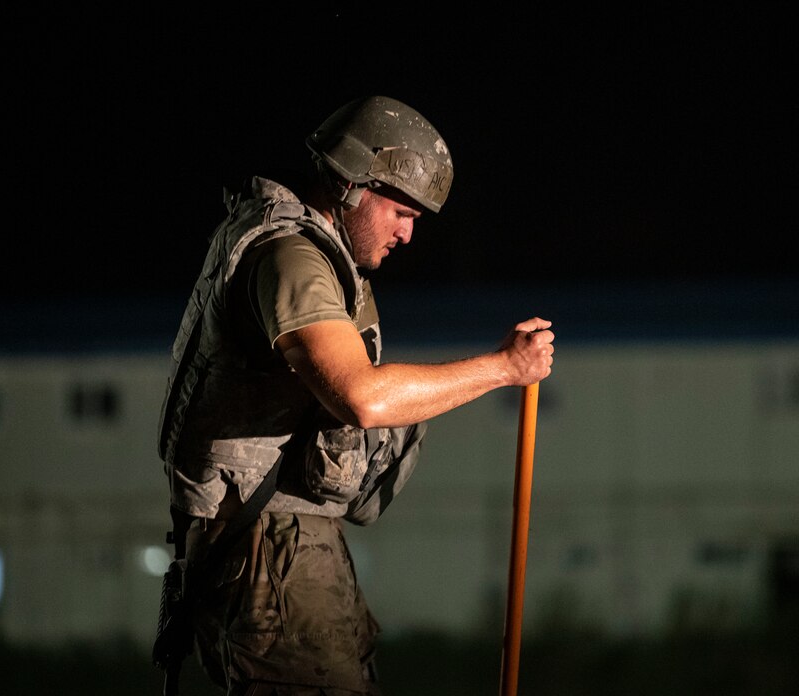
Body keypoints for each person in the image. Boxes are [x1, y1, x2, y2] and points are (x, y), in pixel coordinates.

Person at [155, 95, 555, 695]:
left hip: (281, 546)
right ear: (348, 186)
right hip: (271, 555)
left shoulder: (310, 255)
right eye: (400, 211)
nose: (407, 234)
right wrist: (503, 369)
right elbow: (360, 398)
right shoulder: (291, 257)